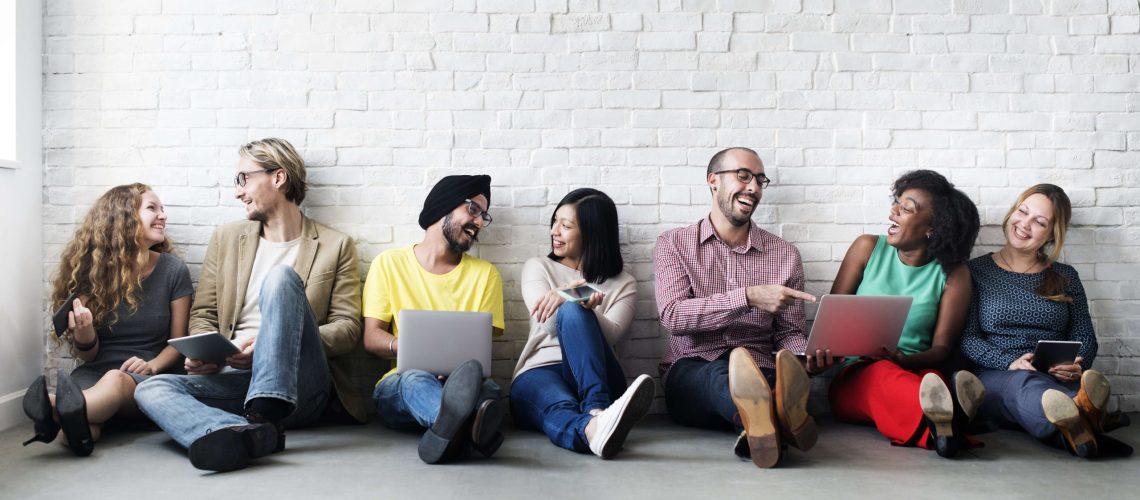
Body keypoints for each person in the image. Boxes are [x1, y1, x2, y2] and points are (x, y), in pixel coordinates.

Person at [134, 138, 364, 472]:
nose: (237, 192)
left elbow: (347, 329)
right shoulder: (226, 238)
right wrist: (206, 353)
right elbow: (203, 315)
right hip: (236, 381)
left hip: (301, 385)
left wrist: (273, 344)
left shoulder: (335, 245)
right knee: (150, 390)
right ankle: (241, 433)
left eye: (243, 179)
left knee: (281, 279)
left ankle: (266, 411)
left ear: (278, 178)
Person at [654, 147, 833, 469]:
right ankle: (780, 417)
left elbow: (790, 333)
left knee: (772, 379)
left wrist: (806, 358)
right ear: (713, 181)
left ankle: (759, 428)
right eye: (743, 176)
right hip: (692, 369)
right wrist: (747, 297)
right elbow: (673, 315)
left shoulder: (785, 255)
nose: (754, 187)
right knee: (720, 376)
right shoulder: (673, 243)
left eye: (760, 180)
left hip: (762, 364)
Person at [960, 184, 1131, 458]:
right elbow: (967, 338)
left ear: (1052, 234)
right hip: (999, 375)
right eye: (1022, 212)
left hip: (1055, 377)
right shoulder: (975, 271)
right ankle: (1087, 426)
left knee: (1068, 388)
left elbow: (1086, 338)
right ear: (1012, 212)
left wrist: (1078, 364)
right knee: (1025, 385)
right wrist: (1009, 362)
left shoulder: (1065, 276)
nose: (1024, 224)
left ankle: (1079, 421)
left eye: (1039, 222)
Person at [22, 183, 192, 457]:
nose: (163, 215)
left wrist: (151, 365)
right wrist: (85, 331)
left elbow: (179, 342)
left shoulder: (173, 270)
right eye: (152, 208)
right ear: (125, 218)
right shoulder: (93, 275)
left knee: (115, 380)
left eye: (162, 209)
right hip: (94, 373)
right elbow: (88, 356)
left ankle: (50, 406)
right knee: (81, 427)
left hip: (150, 377)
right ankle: (74, 420)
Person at [827, 170, 983, 458]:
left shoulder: (954, 273)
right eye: (897, 202)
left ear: (932, 228)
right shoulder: (867, 248)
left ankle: (945, 427)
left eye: (906, 208)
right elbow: (830, 324)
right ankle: (955, 415)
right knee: (887, 376)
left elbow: (941, 348)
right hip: (857, 372)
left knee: (929, 379)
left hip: (917, 368)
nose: (893, 212)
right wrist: (821, 356)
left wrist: (902, 359)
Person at [362, 174, 507, 464]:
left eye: (483, 215)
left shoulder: (485, 274)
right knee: (415, 379)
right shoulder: (389, 264)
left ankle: (448, 432)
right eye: (473, 210)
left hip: (462, 382)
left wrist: (455, 369)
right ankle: (468, 428)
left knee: (488, 388)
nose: (479, 222)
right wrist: (404, 347)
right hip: (403, 386)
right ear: (444, 206)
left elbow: (481, 348)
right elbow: (371, 338)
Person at [511, 188, 655, 459]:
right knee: (559, 406)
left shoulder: (624, 284)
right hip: (541, 371)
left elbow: (610, 336)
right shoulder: (538, 267)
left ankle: (596, 409)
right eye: (554, 222)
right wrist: (572, 293)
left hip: (597, 375)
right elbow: (549, 324)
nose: (555, 231)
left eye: (565, 226)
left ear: (593, 232)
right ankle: (593, 428)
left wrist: (578, 296)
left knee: (575, 312)